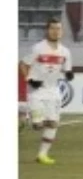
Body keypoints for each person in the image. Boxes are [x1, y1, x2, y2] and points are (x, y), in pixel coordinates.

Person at [19, 17, 72, 165]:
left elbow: (67, 69)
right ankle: (23, 119)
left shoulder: (65, 52)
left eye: (58, 29)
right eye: (53, 28)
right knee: (37, 126)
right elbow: (23, 64)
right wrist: (30, 80)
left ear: (62, 32)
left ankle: (42, 155)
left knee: (53, 123)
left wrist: (69, 74)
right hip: (37, 91)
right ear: (47, 30)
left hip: (54, 91)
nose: (56, 32)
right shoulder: (38, 48)